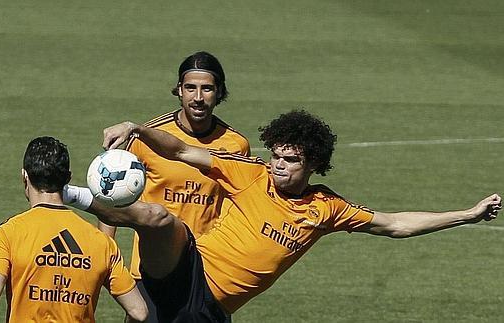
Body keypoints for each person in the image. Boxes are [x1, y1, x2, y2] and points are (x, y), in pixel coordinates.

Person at [65, 110, 501, 322]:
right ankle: (70, 194)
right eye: (275, 155)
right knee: (163, 221)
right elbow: (180, 149)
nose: (277, 165)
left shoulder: (325, 208)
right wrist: (137, 128)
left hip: (210, 311)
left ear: (312, 163)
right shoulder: (249, 172)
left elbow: (395, 224)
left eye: (289, 160)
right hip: (188, 271)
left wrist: (466, 214)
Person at [97, 51, 250, 322]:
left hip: (205, 271)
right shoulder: (148, 138)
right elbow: (115, 197)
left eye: (207, 89)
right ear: (179, 90)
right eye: (190, 88)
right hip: (149, 271)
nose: (198, 97)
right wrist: (103, 252)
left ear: (220, 92)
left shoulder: (236, 145)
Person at [0, 136, 148, 323]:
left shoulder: (9, 233)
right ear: (68, 179)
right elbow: (139, 312)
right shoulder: (101, 242)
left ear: (25, 176)